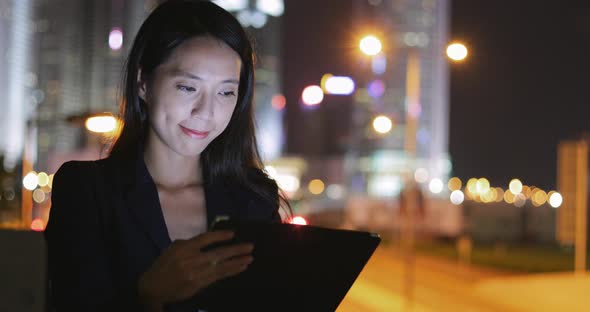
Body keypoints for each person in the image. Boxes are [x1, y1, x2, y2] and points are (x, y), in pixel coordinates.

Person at [44, 1, 289, 311]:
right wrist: (148, 295)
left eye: (226, 92)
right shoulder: (88, 190)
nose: (206, 112)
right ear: (143, 83)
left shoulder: (254, 198)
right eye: (187, 87)